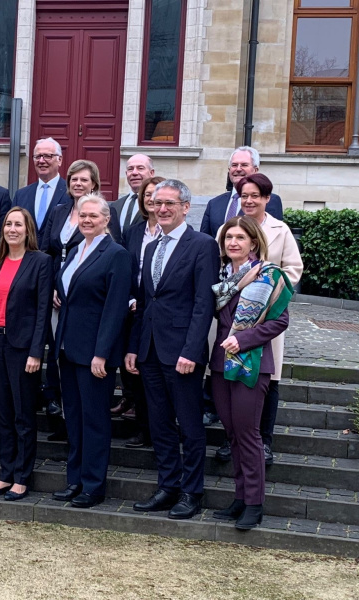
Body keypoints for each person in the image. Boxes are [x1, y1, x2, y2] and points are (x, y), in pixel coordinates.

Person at [125, 179, 220, 520]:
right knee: (160, 424)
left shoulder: (203, 245)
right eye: (157, 203)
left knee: (190, 426)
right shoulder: (150, 247)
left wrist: (192, 351)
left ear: (185, 208)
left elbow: (202, 304)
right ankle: (168, 486)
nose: (162, 208)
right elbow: (147, 302)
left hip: (182, 354)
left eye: (170, 203)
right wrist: (135, 347)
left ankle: (192, 492)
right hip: (150, 351)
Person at [215, 173, 303, 466]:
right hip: (230, 319)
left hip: (263, 317)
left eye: (256, 195)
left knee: (265, 379)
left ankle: (262, 440)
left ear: (267, 198)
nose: (249, 201)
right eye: (244, 196)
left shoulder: (281, 229)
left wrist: (266, 288)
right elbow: (220, 266)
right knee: (229, 384)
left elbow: (293, 268)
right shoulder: (229, 229)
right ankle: (235, 441)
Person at [210, 216, 292, 530]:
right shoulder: (222, 277)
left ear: (253, 242)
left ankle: (254, 504)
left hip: (252, 364)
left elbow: (279, 322)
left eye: (240, 237)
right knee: (232, 434)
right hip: (219, 365)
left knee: (248, 435)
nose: (233, 242)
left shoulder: (268, 276)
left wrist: (243, 339)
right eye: (228, 237)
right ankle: (241, 497)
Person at [51, 195, 131, 508]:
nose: (86, 220)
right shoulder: (74, 250)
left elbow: (114, 310)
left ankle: (93, 485)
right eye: (82, 215)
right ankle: (75, 481)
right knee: (74, 419)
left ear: (106, 219)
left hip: (94, 355)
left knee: (95, 421)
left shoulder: (116, 254)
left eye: (93, 216)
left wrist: (102, 353)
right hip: (68, 349)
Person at [39, 159, 122, 435]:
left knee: (91, 407)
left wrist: (102, 353)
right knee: (59, 352)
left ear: (94, 184)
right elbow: (46, 250)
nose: (77, 183)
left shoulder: (107, 236)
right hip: (59, 289)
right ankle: (58, 405)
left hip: (89, 301)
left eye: (84, 179)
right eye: (73, 179)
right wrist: (52, 286)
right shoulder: (60, 210)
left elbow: (113, 297)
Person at [0, 207, 52, 501]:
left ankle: (22, 477)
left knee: (23, 415)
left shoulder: (40, 262)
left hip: (23, 350)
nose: (12, 229)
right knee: (4, 415)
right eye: (8, 224)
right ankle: (4, 475)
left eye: (18, 224)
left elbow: (43, 309)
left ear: (27, 229)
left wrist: (37, 352)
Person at [116, 176, 165, 448]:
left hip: (159, 313)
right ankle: (141, 427)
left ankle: (156, 431)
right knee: (132, 372)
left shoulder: (173, 232)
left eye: (156, 195)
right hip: (133, 311)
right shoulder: (134, 232)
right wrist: (131, 299)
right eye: (147, 195)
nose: (151, 200)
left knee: (153, 377)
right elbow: (126, 269)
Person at [199, 146, 284, 237]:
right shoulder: (214, 204)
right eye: (234, 165)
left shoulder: (269, 200)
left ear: (255, 170)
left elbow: (273, 237)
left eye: (244, 165)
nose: (238, 169)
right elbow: (204, 240)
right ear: (229, 170)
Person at [12, 137, 68, 246]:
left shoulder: (70, 193)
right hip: (27, 258)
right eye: (37, 156)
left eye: (47, 156)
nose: (41, 161)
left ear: (59, 160)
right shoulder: (21, 195)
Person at [112, 154, 154, 233]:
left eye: (140, 168)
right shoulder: (115, 205)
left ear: (151, 173)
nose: (134, 173)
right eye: (130, 169)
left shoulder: (156, 204)